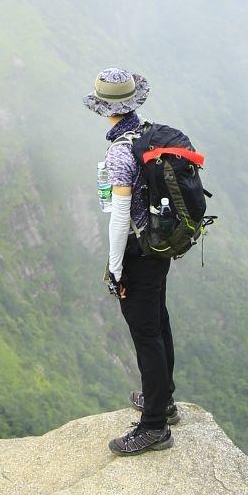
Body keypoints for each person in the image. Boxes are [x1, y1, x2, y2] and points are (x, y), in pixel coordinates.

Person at [86, 67, 178, 455]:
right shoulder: (148, 134)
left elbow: (120, 217)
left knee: (146, 335)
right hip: (160, 245)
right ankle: (165, 401)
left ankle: (154, 425)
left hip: (138, 251)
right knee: (158, 320)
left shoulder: (121, 152)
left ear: (105, 108)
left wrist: (115, 267)